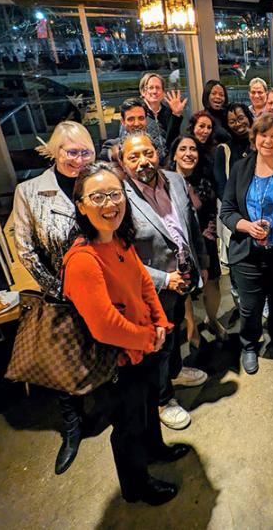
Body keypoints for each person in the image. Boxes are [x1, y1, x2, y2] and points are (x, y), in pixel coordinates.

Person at [64, 161, 188, 506]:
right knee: (128, 426)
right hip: (119, 361)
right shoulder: (83, 261)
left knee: (148, 408)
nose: (110, 204)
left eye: (115, 194)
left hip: (144, 347)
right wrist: (150, 338)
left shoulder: (119, 239)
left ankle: (156, 450)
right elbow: (104, 325)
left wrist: (161, 322)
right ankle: (136, 487)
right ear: (81, 205)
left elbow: (145, 284)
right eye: (98, 197)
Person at [13, 121, 96, 475]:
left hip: (103, 288)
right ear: (55, 151)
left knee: (105, 350)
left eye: (85, 151)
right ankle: (72, 428)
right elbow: (26, 250)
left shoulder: (98, 180)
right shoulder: (30, 191)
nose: (78, 159)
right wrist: (60, 291)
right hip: (61, 296)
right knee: (65, 363)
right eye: (71, 152)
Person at [119, 132, 209, 430]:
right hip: (153, 285)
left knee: (177, 332)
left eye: (148, 153)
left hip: (184, 276)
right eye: (134, 157)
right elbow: (120, 256)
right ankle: (164, 399)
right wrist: (161, 279)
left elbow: (191, 225)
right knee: (159, 344)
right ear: (123, 162)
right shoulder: (120, 195)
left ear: (157, 153)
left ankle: (176, 373)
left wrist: (203, 264)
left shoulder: (175, 179)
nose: (143, 161)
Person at [219, 113, 273, 374]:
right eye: (263, 135)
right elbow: (227, 210)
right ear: (254, 137)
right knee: (250, 306)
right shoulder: (240, 168)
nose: (268, 141)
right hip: (247, 253)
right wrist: (246, 226)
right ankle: (248, 345)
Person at [169, 134, 228, 346]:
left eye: (192, 149)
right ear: (174, 155)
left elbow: (211, 212)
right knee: (184, 291)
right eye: (182, 149)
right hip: (178, 246)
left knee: (214, 284)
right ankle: (192, 331)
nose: (188, 154)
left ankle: (212, 320)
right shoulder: (164, 181)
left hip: (206, 240)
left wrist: (209, 239)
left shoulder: (204, 178)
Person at [99, 98, 166, 163]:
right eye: (131, 119)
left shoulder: (156, 142)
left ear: (146, 120)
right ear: (123, 121)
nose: (136, 124)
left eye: (141, 118)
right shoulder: (114, 146)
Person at [138, 72, 186, 150]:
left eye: (158, 88)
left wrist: (176, 116)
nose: (154, 91)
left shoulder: (169, 112)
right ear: (143, 92)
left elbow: (173, 142)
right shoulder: (137, 113)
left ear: (163, 93)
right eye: (151, 88)